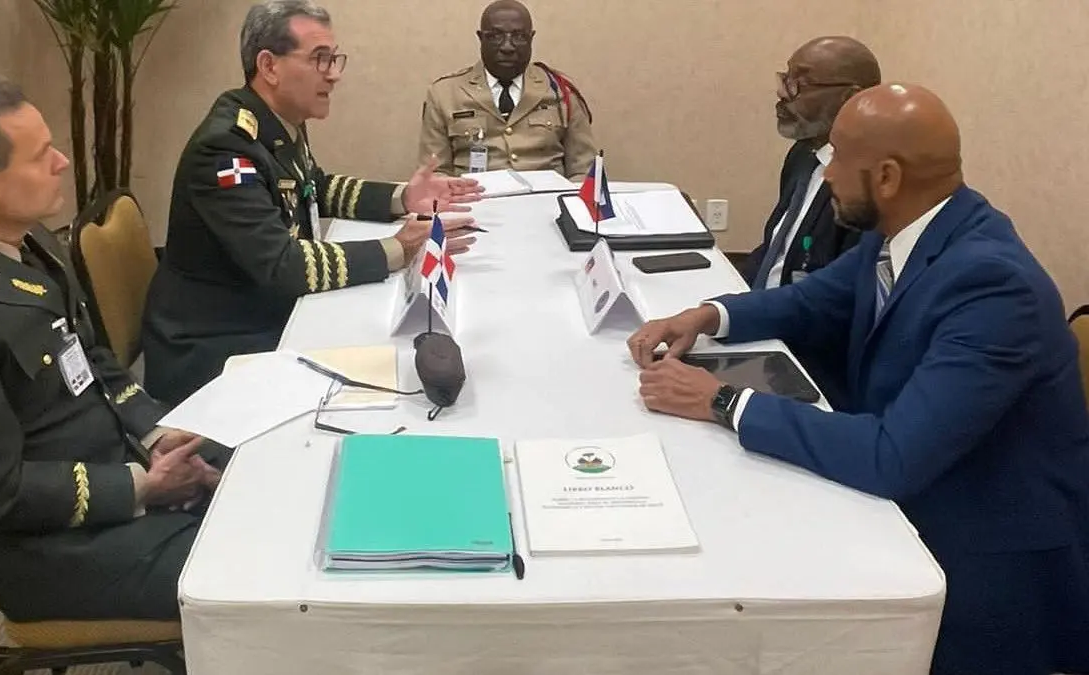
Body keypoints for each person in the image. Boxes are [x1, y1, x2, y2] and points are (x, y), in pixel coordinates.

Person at [628, 83, 1089, 675]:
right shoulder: (908, 229)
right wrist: (708, 315)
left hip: (984, 559)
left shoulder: (994, 288)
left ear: (888, 177)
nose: (826, 174)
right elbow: (812, 300)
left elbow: (892, 456)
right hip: (918, 482)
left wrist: (723, 402)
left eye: (838, 157)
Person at [0, 79, 230, 622]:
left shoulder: (30, 242)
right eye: (40, 154)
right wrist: (144, 486)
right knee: (259, 572)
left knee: (268, 465)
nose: (62, 162)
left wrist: (157, 434)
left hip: (120, 463)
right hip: (57, 551)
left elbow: (90, 358)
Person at [142, 0, 484, 405]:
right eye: (320, 59)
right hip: (216, 345)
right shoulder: (225, 149)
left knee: (381, 336)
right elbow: (282, 265)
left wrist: (402, 197)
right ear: (269, 66)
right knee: (382, 378)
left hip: (266, 313)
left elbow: (313, 187)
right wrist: (397, 248)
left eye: (334, 59)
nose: (334, 74)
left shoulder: (276, 121)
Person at [744, 36, 880, 290]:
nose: (782, 93)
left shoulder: (866, 182)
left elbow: (840, 290)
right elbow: (776, 248)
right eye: (786, 78)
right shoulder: (802, 155)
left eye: (800, 83)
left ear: (850, 98)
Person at [418, 0, 597, 179]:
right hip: (475, 195)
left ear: (531, 38)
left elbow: (584, 170)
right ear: (481, 38)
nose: (507, 47)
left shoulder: (560, 90)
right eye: (496, 36)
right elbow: (435, 173)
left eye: (519, 36)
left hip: (548, 195)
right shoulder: (445, 94)